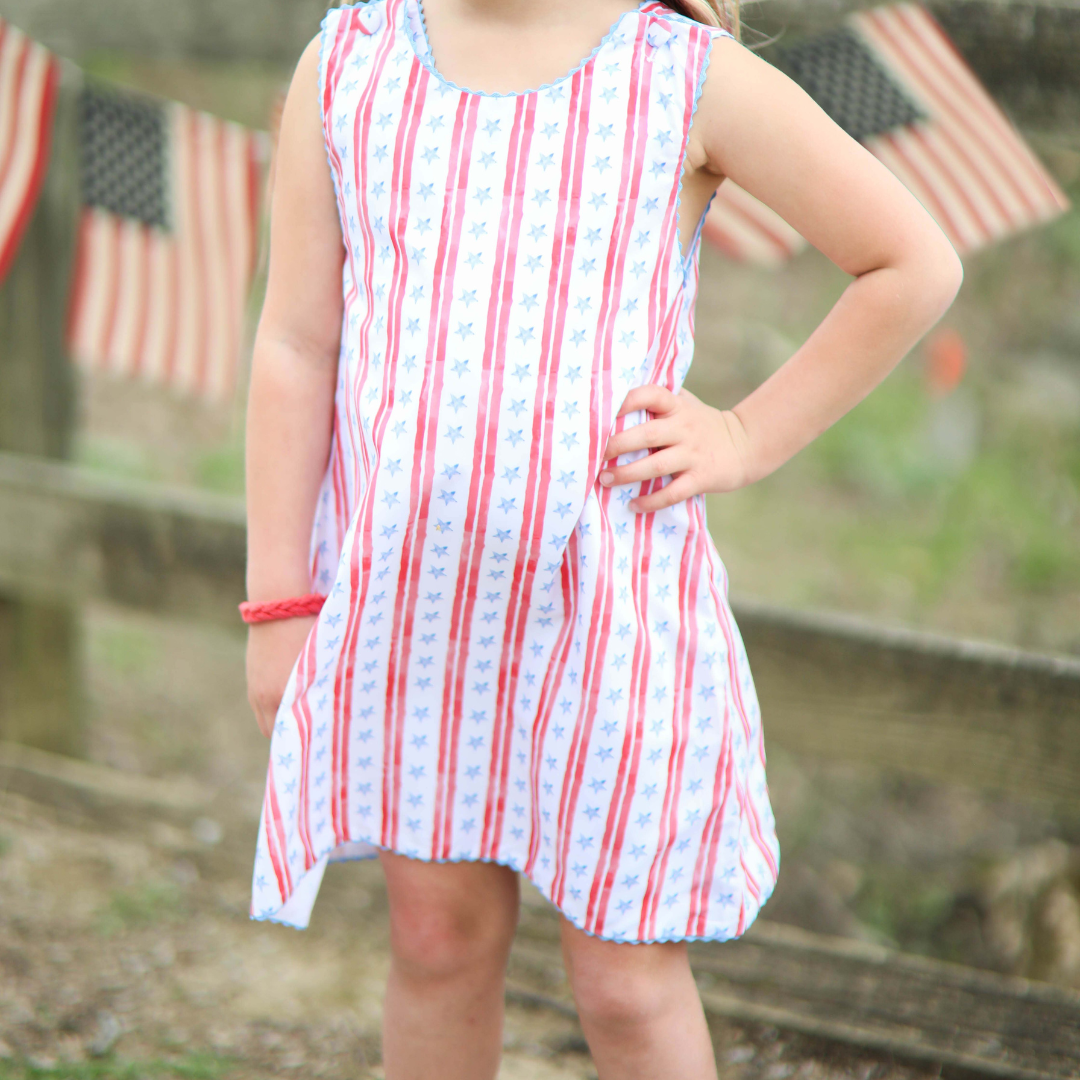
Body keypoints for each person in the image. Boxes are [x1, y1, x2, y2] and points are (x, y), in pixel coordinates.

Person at [241, 0, 962, 1076]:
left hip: (607, 620)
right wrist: (278, 603)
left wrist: (745, 435)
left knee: (626, 987)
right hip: (413, 617)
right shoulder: (350, 62)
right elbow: (298, 344)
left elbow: (910, 262)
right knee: (437, 944)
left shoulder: (681, 73)